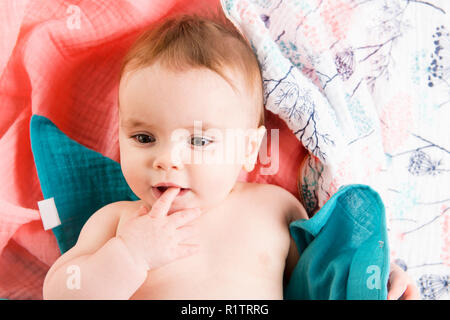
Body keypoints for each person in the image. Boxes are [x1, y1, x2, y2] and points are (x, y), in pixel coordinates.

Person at [43, 11, 419, 300]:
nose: (167, 159)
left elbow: (323, 278)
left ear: (248, 149)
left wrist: (376, 279)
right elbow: (60, 291)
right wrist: (129, 256)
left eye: (199, 141)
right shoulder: (117, 223)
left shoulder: (275, 208)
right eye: (143, 137)